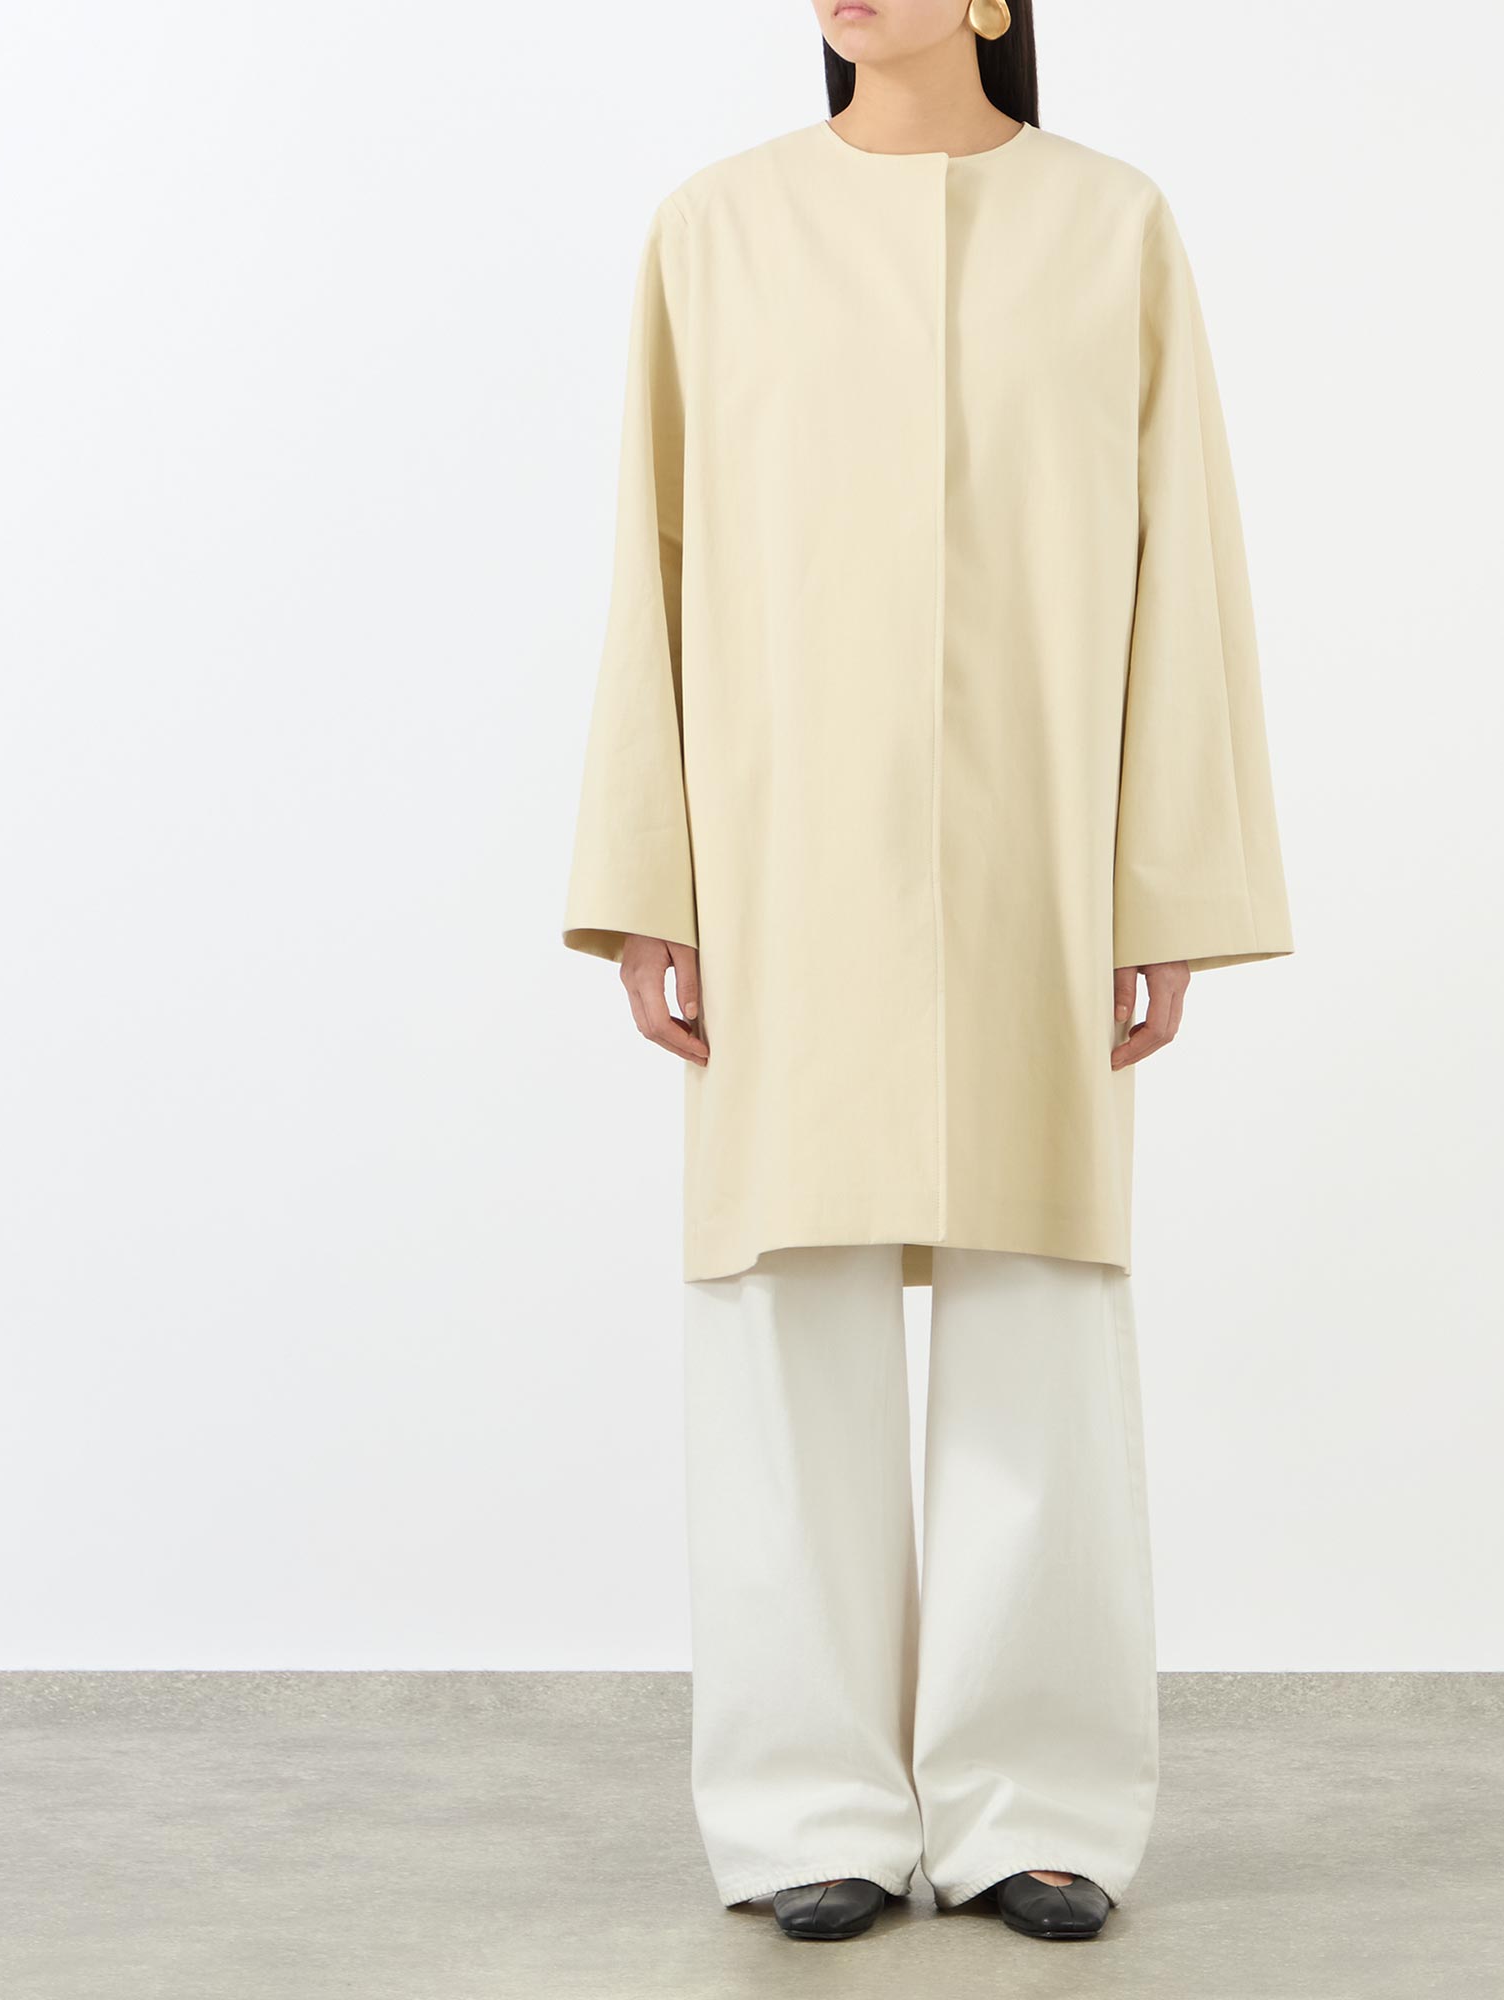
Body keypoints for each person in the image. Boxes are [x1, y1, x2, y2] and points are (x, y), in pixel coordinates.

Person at [562, 0, 1292, 1947]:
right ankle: (806, 1808)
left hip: (1035, 856)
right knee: (781, 1316)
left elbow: (1184, 569)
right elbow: (649, 573)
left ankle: (1031, 1805)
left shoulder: (1111, 228)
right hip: (779, 855)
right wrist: (648, 878)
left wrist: (1162, 884)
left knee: (1038, 1311)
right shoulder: (713, 231)